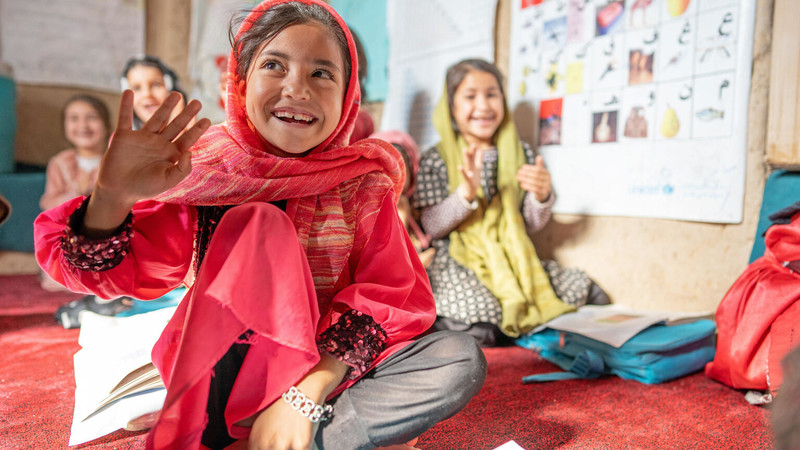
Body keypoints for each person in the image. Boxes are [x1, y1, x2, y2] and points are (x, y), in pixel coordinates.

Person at [34, 1, 486, 449]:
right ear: (241, 80)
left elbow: (388, 297)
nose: (298, 89)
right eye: (275, 65)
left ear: (349, 95)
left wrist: (303, 395)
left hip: (325, 378)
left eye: (322, 73)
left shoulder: (362, 185)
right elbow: (111, 271)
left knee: (456, 357)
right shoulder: (202, 172)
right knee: (259, 224)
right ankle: (277, 433)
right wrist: (112, 199)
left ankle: (279, 436)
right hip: (230, 376)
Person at [413, 58, 608, 347]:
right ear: (451, 107)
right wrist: (465, 194)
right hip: (459, 258)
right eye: (470, 96)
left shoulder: (519, 152)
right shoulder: (436, 159)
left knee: (587, 291)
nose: (483, 106)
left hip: (513, 254)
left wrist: (541, 197)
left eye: (492, 94)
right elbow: (430, 227)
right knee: (484, 322)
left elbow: (529, 224)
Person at [370, 130, 434, 267]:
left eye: (400, 167)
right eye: (383, 168)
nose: (393, 177)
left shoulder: (418, 212)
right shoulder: (366, 220)